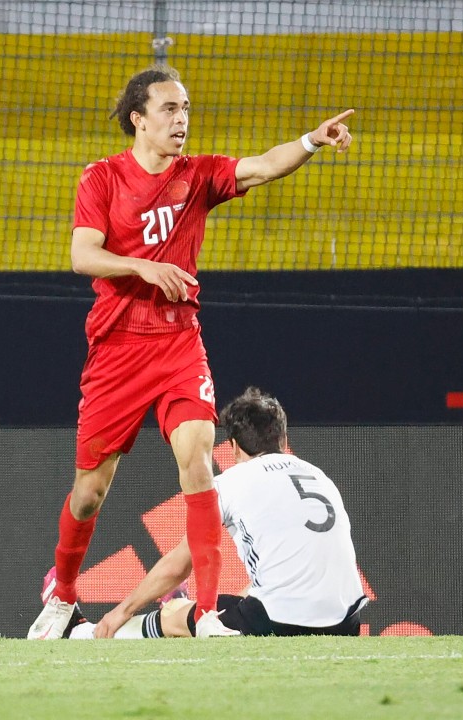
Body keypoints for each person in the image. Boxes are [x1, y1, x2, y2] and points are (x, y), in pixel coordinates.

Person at [28, 65, 356, 640]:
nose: (181, 120)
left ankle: (206, 614)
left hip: (179, 342)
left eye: (185, 109)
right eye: (169, 110)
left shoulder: (198, 175)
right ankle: (64, 596)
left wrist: (310, 141)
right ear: (138, 118)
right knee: (89, 494)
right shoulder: (102, 178)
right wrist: (142, 267)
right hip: (117, 351)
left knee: (199, 460)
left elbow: (261, 165)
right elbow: (83, 255)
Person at [54, 388, 367, 639]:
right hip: (347, 620)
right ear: (283, 440)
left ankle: (88, 634)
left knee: (173, 613)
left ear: (231, 447)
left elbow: (179, 564)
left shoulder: (230, 481)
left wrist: (121, 611)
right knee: (249, 593)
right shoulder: (318, 475)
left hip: (281, 620)